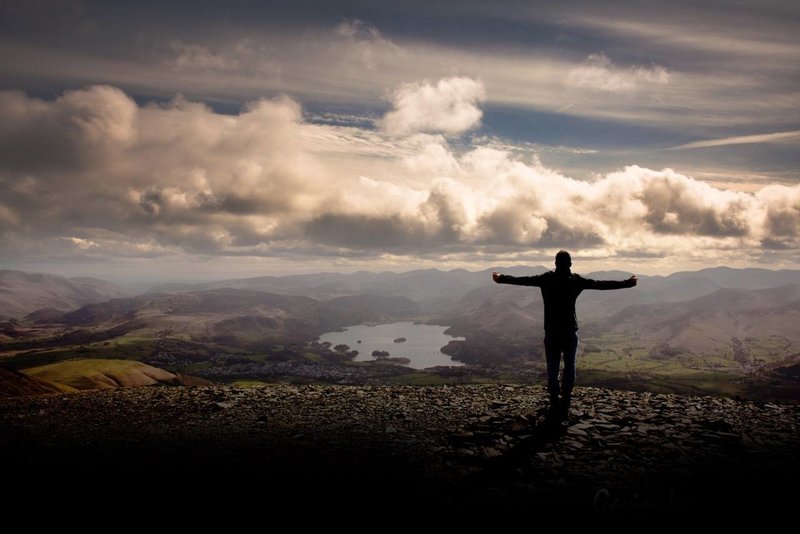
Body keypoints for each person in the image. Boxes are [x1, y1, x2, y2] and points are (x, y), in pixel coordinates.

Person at [492, 250, 637, 419]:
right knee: (570, 366)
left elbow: (522, 281)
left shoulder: (546, 279)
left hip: (551, 330)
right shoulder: (575, 281)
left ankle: (554, 398)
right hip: (569, 330)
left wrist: (501, 278)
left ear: (555, 263)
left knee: (552, 367)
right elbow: (602, 284)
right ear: (570, 264)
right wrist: (629, 283)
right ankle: (566, 398)